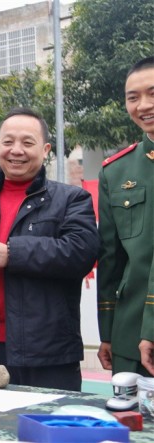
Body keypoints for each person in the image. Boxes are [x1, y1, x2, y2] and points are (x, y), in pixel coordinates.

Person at [0, 107, 99, 391]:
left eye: (27, 142)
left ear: (46, 149)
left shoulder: (71, 199)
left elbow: (81, 253)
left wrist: (11, 254)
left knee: (50, 432)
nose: (16, 150)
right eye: (8, 142)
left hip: (49, 353)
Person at [97, 56, 154, 377]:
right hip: (129, 337)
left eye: (152, 93)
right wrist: (107, 332)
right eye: (133, 97)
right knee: (132, 426)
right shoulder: (117, 171)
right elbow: (110, 257)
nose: (143, 105)